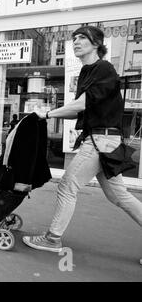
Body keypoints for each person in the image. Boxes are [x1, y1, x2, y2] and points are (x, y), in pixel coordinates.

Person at [22, 26, 142, 253]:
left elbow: (81, 104)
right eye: (74, 38)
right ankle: (53, 238)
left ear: (96, 43)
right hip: (103, 139)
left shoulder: (103, 68)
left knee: (67, 185)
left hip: (100, 140)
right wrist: (47, 114)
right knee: (118, 196)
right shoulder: (88, 72)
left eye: (82, 38)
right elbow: (79, 110)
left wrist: (47, 114)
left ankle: (52, 238)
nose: (75, 41)